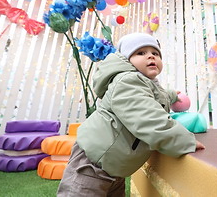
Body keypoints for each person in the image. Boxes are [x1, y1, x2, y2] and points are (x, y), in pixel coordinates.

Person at [57, 32, 205, 196]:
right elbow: (148, 118)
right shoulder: (127, 81)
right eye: (141, 53)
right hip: (93, 162)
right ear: (127, 60)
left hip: (115, 165)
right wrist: (183, 140)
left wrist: (173, 96)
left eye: (155, 53)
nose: (150, 57)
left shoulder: (146, 84)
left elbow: (157, 96)